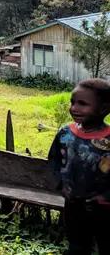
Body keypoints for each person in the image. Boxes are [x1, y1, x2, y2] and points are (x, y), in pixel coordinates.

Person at [48, 78, 110, 255]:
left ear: (104, 108)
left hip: (105, 209)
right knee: (77, 246)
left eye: (82, 104)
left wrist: (105, 196)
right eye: (73, 102)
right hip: (74, 205)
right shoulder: (66, 133)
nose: (74, 108)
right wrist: (61, 184)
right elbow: (54, 160)